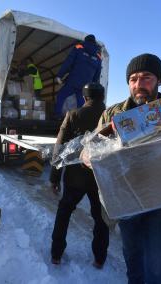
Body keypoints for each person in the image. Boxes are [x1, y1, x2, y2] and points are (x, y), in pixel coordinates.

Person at [95, 53, 161, 283]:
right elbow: (88, 150)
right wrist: (91, 157)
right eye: (133, 79)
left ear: (159, 80)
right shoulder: (112, 114)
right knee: (134, 262)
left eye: (146, 77)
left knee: (159, 271)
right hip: (127, 201)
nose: (138, 85)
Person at [50, 82, 109, 269]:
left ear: (84, 98)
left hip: (75, 178)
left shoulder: (73, 115)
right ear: (103, 97)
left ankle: (56, 254)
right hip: (101, 179)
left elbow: (59, 150)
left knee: (64, 212)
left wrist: (54, 177)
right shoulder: (112, 117)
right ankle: (99, 258)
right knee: (101, 219)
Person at [54, 34, 102, 119]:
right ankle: (80, 120)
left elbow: (68, 62)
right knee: (81, 102)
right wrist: (92, 87)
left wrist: (59, 75)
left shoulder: (79, 47)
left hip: (73, 80)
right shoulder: (98, 56)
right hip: (86, 85)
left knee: (61, 95)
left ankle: (57, 115)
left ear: (85, 40)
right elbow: (97, 75)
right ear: (94, 43)